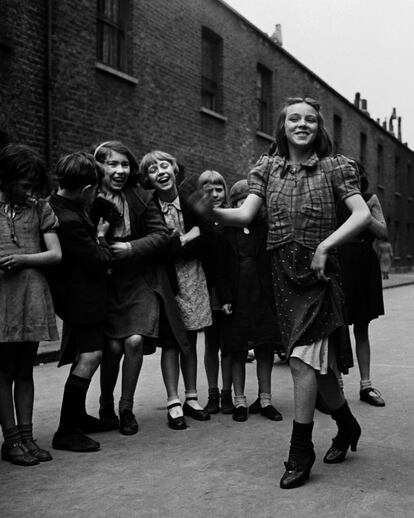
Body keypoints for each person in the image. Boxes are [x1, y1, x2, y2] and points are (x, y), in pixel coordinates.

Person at [209, 97, 371, 489]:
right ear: (282, 127)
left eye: (310, 120)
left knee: (300, 361)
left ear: (319, 128)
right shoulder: (267, 168)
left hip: (318, 273)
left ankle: (301, 450)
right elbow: (245, 215)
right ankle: (347, 425)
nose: (302, 124)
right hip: (282, 274)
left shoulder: (336, 167)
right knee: (320, 370)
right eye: (294, 119)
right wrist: (209, 212)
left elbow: (362, 214)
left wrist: (325, 246)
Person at [93, 141, 189, 434]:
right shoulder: (89, 197)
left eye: (125, 165)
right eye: (113, 164)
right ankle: (105, 404)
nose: (120, 171)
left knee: (134, 341)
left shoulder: (139, 197)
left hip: (141, 280)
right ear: (99, 166)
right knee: (110, 346)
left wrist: (131, 248)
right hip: (107, 283)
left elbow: (162, 235)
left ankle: (126, 407)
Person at [139, 150, 212, 427]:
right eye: (152, 169)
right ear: (147, 179)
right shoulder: (149, 208)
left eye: (165, 165)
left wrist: (183, 239)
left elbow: (209, 235)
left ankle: (191, 396)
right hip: (166, 281)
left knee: (191, 339)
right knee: (171, 342)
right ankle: (172, 400)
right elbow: (158, 249)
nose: (161, 171)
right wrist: (187, 239)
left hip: (193, 276)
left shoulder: (191, 200)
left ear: (175, 169)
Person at [0, 144, 61, 466]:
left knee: (25, 369)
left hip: (32, 295)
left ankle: (27, 437)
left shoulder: (39, 209)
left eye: (34, 188)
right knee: (4, 370)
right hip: (2, 298)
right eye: (25, 186)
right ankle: (10, 441)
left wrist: (23, 259)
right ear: (6, 179)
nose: (30, 193)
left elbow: (55, 254)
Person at [49, 152, 112, 452]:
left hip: (77, 297)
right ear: (87, 189)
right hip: (82, 299)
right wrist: (101, 236)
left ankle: (77, 418)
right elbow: (99, 260)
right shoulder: (70, 219)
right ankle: (66, 430)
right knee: (90, 357)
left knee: (85, 357)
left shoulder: (58, 205)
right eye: (96, 190)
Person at [218, 179, 282, 423]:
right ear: (233, 205)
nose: (246, 206)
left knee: (265, 347)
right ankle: (240, 401)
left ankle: (265, 399)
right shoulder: (225, 233)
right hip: (237, 299)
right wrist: (224, 298)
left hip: (262, 296)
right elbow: (220, 271)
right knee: (237, 350)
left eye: (251, 201)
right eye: (240, 201)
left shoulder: (265, 230)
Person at [337, 162, 387, 407]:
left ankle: (366, 386)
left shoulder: (370, 199)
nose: (350, 178)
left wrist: (364, 214)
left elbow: (383, 232)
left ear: (360, 177)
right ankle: (337, 388)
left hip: (364, 265)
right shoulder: (335, 199)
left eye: (354, 174)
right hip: (340, 265)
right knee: (338, 328)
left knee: (361, 327)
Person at [197, 170, 234, 415]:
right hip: (207, 288)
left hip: (230, 290)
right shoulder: (199, 221)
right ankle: (212, 393)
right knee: (211, 344)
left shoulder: (234, 218)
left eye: (219, 189)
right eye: (208, 189)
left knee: (228, 344)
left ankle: (227, 394)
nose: (214, 194)